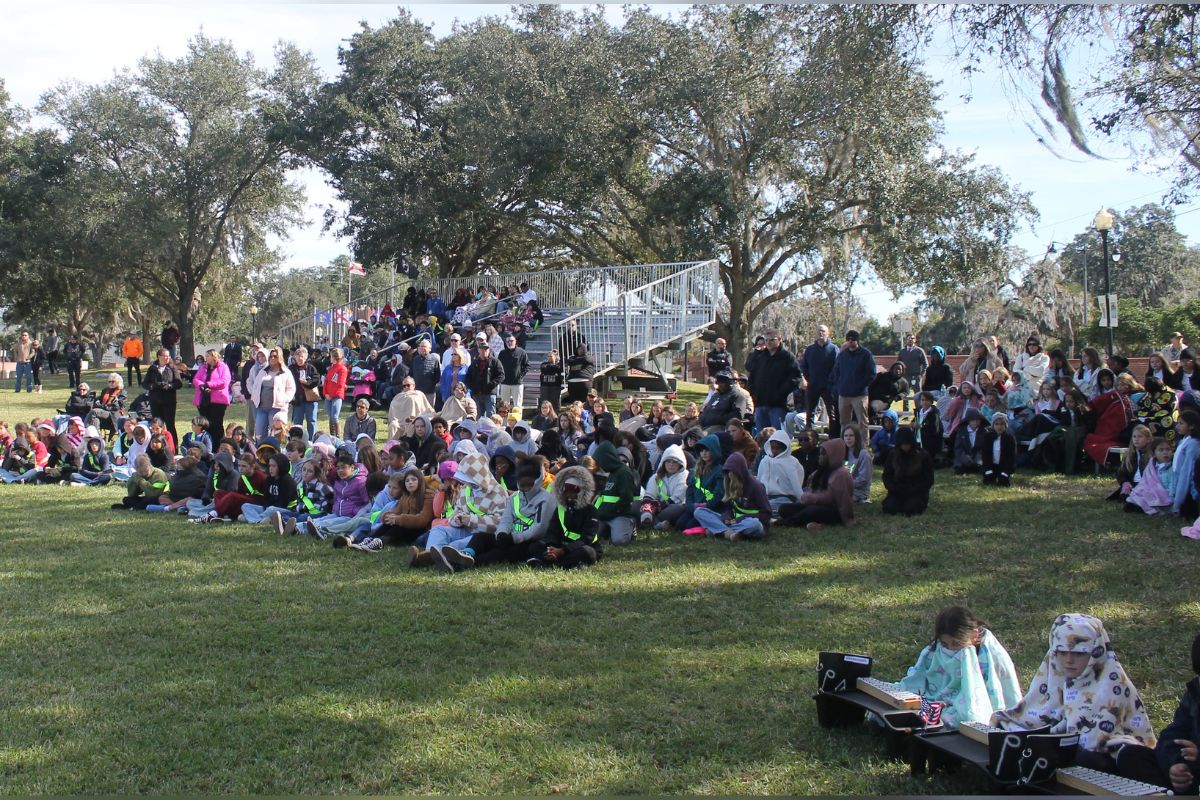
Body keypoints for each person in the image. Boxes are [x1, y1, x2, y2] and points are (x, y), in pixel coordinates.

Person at [992, 613, 1163, 786]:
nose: (1069, 661)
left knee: (1081, 759)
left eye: (1079, 653)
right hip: (1068, 752)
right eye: (1062, 652)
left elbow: (1094, 741)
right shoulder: (1054, 674)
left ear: (1095, 652)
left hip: (1109, 760)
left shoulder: (1111, 684)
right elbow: (1034, 712)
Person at [1155, 632, 1200, 795]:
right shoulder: (1195, 693)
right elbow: (1172, 734)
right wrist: (1176, 764)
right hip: (1192, 774)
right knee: (1132, 755)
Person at [778, 438, 855, 530]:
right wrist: (806, 496)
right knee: (784, 509)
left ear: (833, 455)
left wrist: (811, 498)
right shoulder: (820, 472)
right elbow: (810, 488)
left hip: (832, 510)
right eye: (820, 454)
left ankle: (784, 522)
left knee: (811, 511)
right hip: (814, 505)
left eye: (823, 454)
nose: (820, 457)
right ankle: (815, 523)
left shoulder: (841, 474)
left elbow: (835, 498)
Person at [746, 330, 799, 434]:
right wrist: (753, 391)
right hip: (761, 402)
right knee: (761, 436)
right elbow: (750, 368)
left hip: (778, 404)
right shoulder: (760, 356)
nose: (768, 342)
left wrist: (781, 392)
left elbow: (796, 377)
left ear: (779, 340)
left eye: (772, 340)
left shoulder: (787, 356)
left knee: (777, 435)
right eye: (766, 340)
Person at [829, 330, 876, 445]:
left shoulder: (866, 354)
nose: (850, 341)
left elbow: (871, 373)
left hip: (860, 395)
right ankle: (844, 445)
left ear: (857, 340)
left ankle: (864, 445)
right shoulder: (842, 355)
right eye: (848, 339)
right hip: (844, 394)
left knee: (862, 422)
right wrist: (839, 386)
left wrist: (861, 385)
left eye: (853, 339)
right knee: (844, 422)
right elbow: (836, 372)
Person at [591, 440, 638, 545]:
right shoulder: (612, 473)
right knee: (590, 536)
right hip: (605, 515)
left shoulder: (624, 473)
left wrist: (608, 512)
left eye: (600, 462)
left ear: (607, 459)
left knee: (619, 541)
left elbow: (626, 499)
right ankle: (608, 530)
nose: (599, 466)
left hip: (620, 514)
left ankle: (631, 525)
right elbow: (607, 494)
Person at [880, 428, 934, 516]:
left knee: (911, 509)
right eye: (903, 444)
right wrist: (894, 488)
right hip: (897, 490)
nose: (905, 446)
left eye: (907, 444)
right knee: (890, 508)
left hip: (916, 491)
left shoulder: (923, 455)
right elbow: (887, 475)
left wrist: (915, 489)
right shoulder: (893, 455)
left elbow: (928, 479)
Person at [247, 347, 296, 441]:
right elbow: (255, 385)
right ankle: (260, 448)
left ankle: (276, 449)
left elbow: (291, 389)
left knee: (275, 434)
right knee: (259, 432)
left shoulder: (285, 372)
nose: (272, 358)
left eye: (275, 356)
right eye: (271, 356)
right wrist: (254, 394)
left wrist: (284, 399)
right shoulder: (263, 371)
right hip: (261, 408)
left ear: (280, 357)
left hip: (276, 408)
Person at [799, 324, 840, 433]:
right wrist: (808, 379)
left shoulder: (834, 349)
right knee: (809, 414)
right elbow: (804, 366)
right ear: (815, 334)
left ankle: (833, 436)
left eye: (823, 331)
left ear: (828, 333)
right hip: (813, 386)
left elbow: (837, 367)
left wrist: (831, 381)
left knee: (832, 415)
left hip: (829, 387)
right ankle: (810, 437)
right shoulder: (810, 350)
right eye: (818, 331)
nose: (820, 333)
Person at [142, 348, 182, 447]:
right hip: (155, 400)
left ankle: (173, 447)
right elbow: (145, 383)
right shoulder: (153, 368)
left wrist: (169, 386)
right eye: (165, 356)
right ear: (159, 357)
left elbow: (179, 383)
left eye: (168, 356)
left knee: (170, 424)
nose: (167, 358)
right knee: (157, 424)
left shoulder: (172, 367)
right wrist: (153, 386)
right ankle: (157, 445)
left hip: (169, 401)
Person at [757, 431, 805, 514]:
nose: (774, 451)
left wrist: (801, 499)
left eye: (777, 448)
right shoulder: (765, 460)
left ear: (785, 447)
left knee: (766, 506)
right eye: (772, 448)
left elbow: (796, 483)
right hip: (765, 497)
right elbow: (759, 479)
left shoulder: (791, 462)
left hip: (785, 498)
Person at [191, 349, 231, 440]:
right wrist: (201, 385)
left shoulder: (223, 367)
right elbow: (196, 379)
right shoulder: (203, 367)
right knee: (205, 424)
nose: (206, 358)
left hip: (218, 401)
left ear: (214, 356)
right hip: (203, 399)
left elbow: (224, 382)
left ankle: (218, 444)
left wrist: (209, 385)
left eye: (208, 356)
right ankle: (207, 443)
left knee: (216, 425)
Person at [464, 337, 504, 419]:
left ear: (489, 350)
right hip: (477, 394)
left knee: (491, 416)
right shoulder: (475, 362)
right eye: (482, 349)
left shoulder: (495, 361)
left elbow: (501, 376)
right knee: (478, 417)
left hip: (489, 394)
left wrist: (491, 385)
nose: (484, 351)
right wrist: (472, 387)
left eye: (486, 349)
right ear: (479, 350)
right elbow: (468, 377)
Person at [288, 347, 322, 441]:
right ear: (294, 357)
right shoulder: (291, 369)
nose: (300, 359)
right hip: (297, 400)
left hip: (311, 400)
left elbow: (317, 380)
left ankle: (312, 441)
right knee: (297, 422)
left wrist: (307, 383)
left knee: (312, 421)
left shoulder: (310, 367)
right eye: (298, 356)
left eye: (302, 356)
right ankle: (296, 441)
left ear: (306, 357)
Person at [496, 333, 529, 414]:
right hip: (505, 383)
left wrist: (520, 376)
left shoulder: (522, 352)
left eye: (511, 341)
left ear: (515, 341)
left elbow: (527, 366)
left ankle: (518, 421)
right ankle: (505, 421)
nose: (509, 343)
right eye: (507, 341)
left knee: (517, 406)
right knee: (504, 405)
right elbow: (498, 366)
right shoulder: (502, 353)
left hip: (517, 384)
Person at [980, 414, 1016, 486]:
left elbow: (1011, 457)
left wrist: (1006, 471)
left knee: (1003, 481)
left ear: (1005, 425)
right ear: (993, 425)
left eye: (1002, 424)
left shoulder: (1010, 438)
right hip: (991, 465)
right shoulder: (987, 437)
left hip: (1003, 466)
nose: (999, 427)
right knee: (988, 480)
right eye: (996, 424)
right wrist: (987, 469)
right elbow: (985, 455)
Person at [321, 348, 349, 439]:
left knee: (334, 416)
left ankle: (337, 437)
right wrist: (325, 393)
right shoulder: (331, 368)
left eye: (331, 356)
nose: (330, 358)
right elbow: (326, 382)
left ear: (335, 357)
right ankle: (332, 436)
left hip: (336, 396)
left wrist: (331, 395)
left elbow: (340, 384)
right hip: (328, 396)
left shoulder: (342, 369)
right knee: (331, 417)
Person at [897, 335, 927, 399]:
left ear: (915, 340)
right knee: (904, 395)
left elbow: (925, 364)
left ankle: (919, 406)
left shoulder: (919, 351)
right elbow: (898, 364)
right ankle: (905, 406)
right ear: (906, 340)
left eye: (912, 338)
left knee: (918, 396)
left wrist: (921, 375)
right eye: (908, 338)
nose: (910, 340)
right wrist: (899, 374)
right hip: (905, 376)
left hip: (916, 376)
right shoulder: (902, 351)